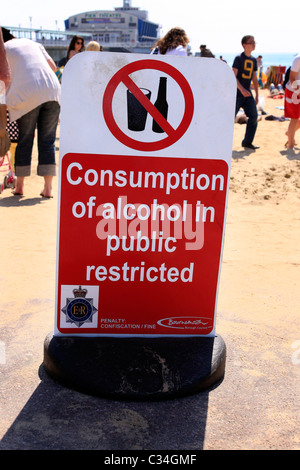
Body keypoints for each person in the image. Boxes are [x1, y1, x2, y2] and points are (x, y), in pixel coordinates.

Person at [2, 27, 60, 197]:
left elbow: (3, 78)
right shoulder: (34, 44)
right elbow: (53, 66)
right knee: (47, 141)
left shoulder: (4, 49)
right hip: (53, 92)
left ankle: (20, 186)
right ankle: (48, 188)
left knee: (25, 139)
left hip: (26, 94)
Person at [232, 35, 259, 150]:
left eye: (254, 42)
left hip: (248, 95)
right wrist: (241, 89)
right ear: (244, 45)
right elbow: (233, 76)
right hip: (237, 94)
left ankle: (247, 142)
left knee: (254, 117)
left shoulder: (253, 60)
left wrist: (257, 94)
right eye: (251, 42)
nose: (254, 44)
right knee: (229, 119)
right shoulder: (238, 58)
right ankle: (222, 143)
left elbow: (254, 78)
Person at [284, 53, 300, 149]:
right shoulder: (298, 59)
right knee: (294, 118)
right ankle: (290, 145)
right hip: (293, 90)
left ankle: (289, 133)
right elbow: (292, 78)